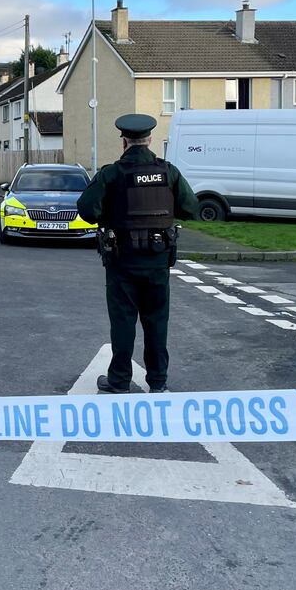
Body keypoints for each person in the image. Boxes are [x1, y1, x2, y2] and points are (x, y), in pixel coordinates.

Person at [76, 114, 199, 394]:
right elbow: (190, 208)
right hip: (157, 261)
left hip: (123, 260)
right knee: (156, 321)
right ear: (150, 139)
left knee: (123, 321)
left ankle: (119, 380)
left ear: (124, 142)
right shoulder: (168, 172)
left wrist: (110, 211)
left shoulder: (112, 173)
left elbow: (86, 210)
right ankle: (158, 381)